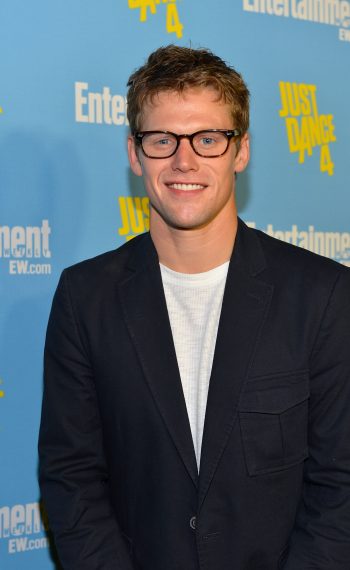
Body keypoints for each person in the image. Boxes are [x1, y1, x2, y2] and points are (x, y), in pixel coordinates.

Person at [38, 45, 350, 570]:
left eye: (208, 138)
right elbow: (71, 478)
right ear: (135, 154)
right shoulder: (84, 298)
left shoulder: (322, 296)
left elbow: (339, 486)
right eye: (162, 140)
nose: (185, 161)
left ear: (241, 150)